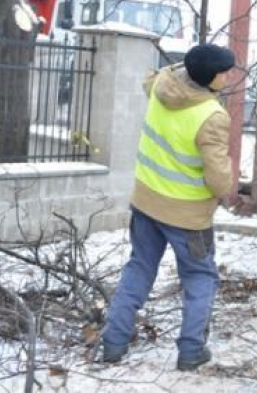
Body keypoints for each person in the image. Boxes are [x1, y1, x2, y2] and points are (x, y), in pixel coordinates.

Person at [101, 43, 236, 371]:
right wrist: (228, 183)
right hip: (187, 216)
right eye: (224, 72)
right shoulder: (212, 116)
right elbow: (219, 181)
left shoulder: (162, 87)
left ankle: (113, 342)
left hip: (147, 202)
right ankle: (191, 350)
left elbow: (154, 77)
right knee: (200, 276)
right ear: (210, 78)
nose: (228, 76)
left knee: (139, 267)